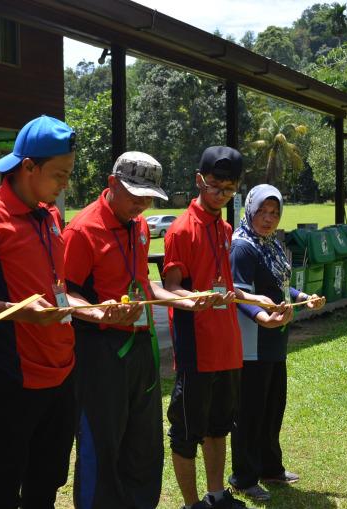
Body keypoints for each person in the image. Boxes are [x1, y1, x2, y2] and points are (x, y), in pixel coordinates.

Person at [63, 151, 217, 509]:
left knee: (144, 443)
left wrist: (184, 300)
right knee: (102, 443)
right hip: (98, 351)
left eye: (149, 198)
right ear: (112, 183)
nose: (142, 205)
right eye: (135, 196)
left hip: (139, 346)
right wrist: (100, 313)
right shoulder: (82, 230)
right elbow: (63, 294)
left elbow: (143, 286)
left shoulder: (141, 227)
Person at [0, 115, 78, 509]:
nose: (65, 184)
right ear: (28, 167)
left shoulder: (50, 214)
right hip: (13, 378)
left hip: (63, 372)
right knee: (4, 486)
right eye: (59, 174)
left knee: (46, 482)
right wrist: (15, 312)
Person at [163, 147, 278, 509]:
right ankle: (192, 503)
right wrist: (194, 298)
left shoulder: (226, 228)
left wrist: (261, 309)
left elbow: (230, 288)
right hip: (197, 348)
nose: (220, 195)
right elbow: (170, 287)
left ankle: (215, 495)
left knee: (219, 427)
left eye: (229, 190)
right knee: (186, 433)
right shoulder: (181, 230)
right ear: (199, 180)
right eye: (214, 187)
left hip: (228, 347)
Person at [229, 184, 325, 502]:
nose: (268, 218)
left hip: (274, 341)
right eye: (263, 212)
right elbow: (239, 294)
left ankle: (270, 468)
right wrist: (262, 318)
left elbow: (282, 287)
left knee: (272, 409)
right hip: (252, 343)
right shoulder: (242, 246)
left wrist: (304, 298)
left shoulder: (271, 244)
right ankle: (244, 477)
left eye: (274, 212)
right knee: (250, 413)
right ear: (250, 210)